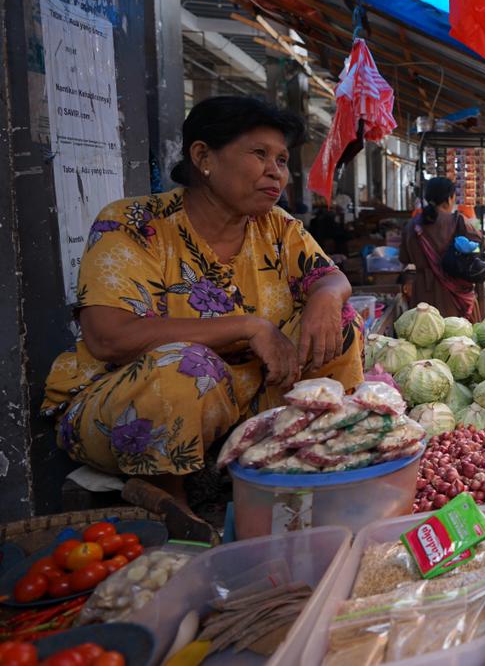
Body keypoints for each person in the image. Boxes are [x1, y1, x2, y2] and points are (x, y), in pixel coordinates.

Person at [41, 97, 363, 502]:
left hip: (244, 404)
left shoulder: (276, 227)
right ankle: (170, 504)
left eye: (281, 160)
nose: (275, 172)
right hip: (125, 404)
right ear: (203, 157)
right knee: (187, 368)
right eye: (259, 154)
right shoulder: (133, 225)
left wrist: (326, 297)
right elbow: (108, 338)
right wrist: (249, 327)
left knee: (341, 321)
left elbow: (329, 277)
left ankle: (314, 460)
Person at [403, 177, 485, 322]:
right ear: (449, 198)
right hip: (454, 292)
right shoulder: (457, 221)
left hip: (423, 292)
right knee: (459, 339)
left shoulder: (412, 225)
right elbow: (482, 244)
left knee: (425, 338)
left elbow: (404, 258)